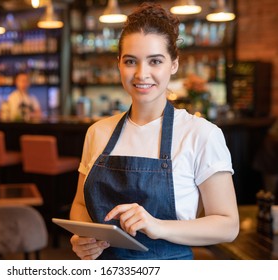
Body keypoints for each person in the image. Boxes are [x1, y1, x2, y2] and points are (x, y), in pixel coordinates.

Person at [69, 2, 239, 260]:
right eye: (130, 61)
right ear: (118, 64)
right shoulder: (98, 132)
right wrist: (83, 238)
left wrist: (157, 226)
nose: (141, 73)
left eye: (155, 61)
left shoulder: (202, 134)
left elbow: (228, 225)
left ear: (173, 65)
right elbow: (81, 205)